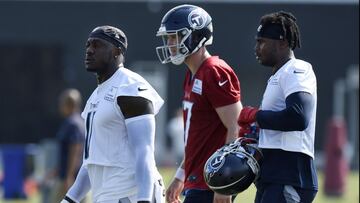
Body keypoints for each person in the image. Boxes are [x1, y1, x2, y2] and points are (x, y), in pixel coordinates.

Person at [61, 25, 165, 203]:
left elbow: (144, 151)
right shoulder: (95, 96)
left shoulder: (129, 87)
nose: (89, 51)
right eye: (88, 45)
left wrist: (144, 199)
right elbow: (91, 163)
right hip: (107, 195)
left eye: (97, 45)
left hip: (130, 194)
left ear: (117, 51)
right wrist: (69, 200)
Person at [156, 4, 243, 203]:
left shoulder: (214, 71)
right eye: (168, 38)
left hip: (211, 182)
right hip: (198, 180)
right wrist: (180, 176)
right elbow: (198, 138)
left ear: (195, 36)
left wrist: (224, 182)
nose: (170, 43)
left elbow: (236, 126)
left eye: (175, 37)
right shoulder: (193, 74)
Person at [238, 11, 318, 203]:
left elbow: (298, 117)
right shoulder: (278, 75)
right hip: (274, 174)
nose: (257, 48)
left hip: (290, 172)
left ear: (282, 43)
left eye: (262, 42)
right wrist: (254, 131)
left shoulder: (297, 69)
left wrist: (256, 116)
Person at [53, 88, 85, 202]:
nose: (60, 107)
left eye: (62, 103)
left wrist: (69, 176)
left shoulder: (72, 124)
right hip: (78, 178)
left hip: (70, 179)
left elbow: (75, 149)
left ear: (70, 104)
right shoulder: (81, 121)